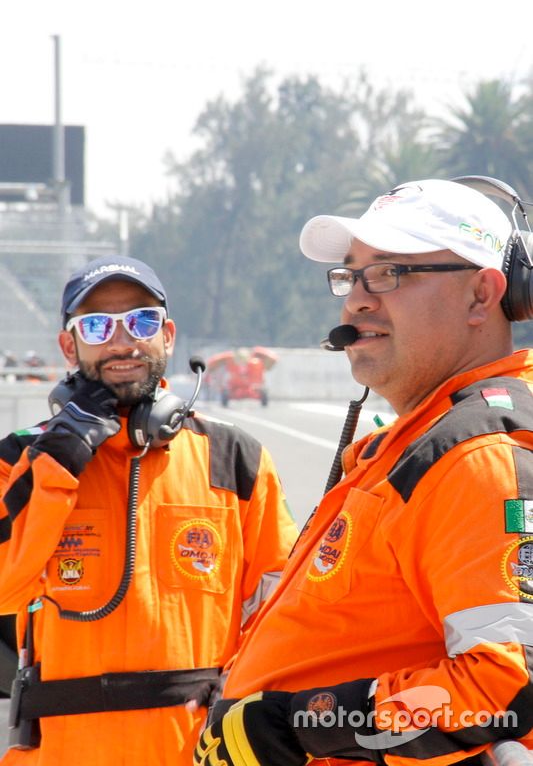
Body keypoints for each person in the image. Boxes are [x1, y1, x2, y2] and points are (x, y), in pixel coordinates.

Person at [195, 179, 533, 766]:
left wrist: (299, 726)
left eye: (390, 273)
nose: (355, 300)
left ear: (482, 295)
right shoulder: (414, 445)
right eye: (350, 276)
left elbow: (504, 686)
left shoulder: (477, 458)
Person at [0, 255, 297, 766]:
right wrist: (59, 464)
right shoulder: (19, 460)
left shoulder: (234, 459)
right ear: (69, 346)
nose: (122, 342)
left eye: (141, 321)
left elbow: (288, 616)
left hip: (200, 752)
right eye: (96, 326)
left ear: (169, 335)